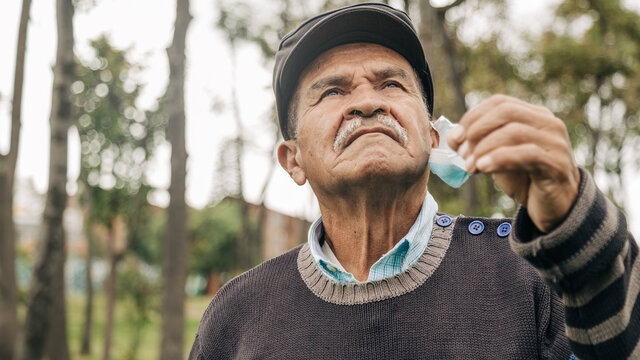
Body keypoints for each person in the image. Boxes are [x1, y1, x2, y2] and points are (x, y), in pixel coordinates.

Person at [189, 3, 638, 359]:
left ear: (434, 136)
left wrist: (574, 227)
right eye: (332, 91)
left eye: (391, 85)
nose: (366, 103)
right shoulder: (236, 315)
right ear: (293, 161)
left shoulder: (534, 276)